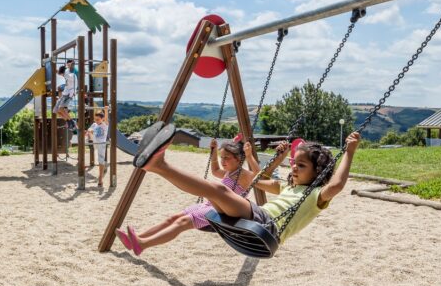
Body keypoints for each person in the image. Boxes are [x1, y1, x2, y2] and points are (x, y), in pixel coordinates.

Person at [117, 125, 361, 256]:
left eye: (302, 165)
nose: (294, 168)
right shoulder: (288, 187)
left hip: (266, 226)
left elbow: (337, 185)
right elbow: (256, 179)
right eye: (294, 163)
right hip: (253, 218)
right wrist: (277, 157)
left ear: (318, 171)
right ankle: (157, 167)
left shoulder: (316, 196)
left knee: (217, 191)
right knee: (215, 192)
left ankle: (159, 165)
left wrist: (348, 152)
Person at [117, 137, 260, 252]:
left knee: (182, 222)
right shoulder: (229, 172)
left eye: (226, 158)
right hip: (209, 204)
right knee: (173, 218)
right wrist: (214, 151)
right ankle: (136, 239)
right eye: (221, 157)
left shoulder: (244, 175)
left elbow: (258, 175)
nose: (223, 161)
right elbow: (215, 171)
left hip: (223, 212)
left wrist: (249, 156)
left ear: (238, 159)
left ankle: (142, 244)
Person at [86, 107, 110, 187]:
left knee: (100, 160)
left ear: (102, 119)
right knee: (88, 132)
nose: (96, 121)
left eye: (98, 119)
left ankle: (100, 179)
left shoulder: (104, 124)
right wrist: (88, 133)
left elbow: (106, 118)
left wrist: (106, 110)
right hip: (95, 142)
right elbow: (89, 130)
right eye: (95, 119)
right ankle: (104, 165)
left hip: (101, 144)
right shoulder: (94, 124)